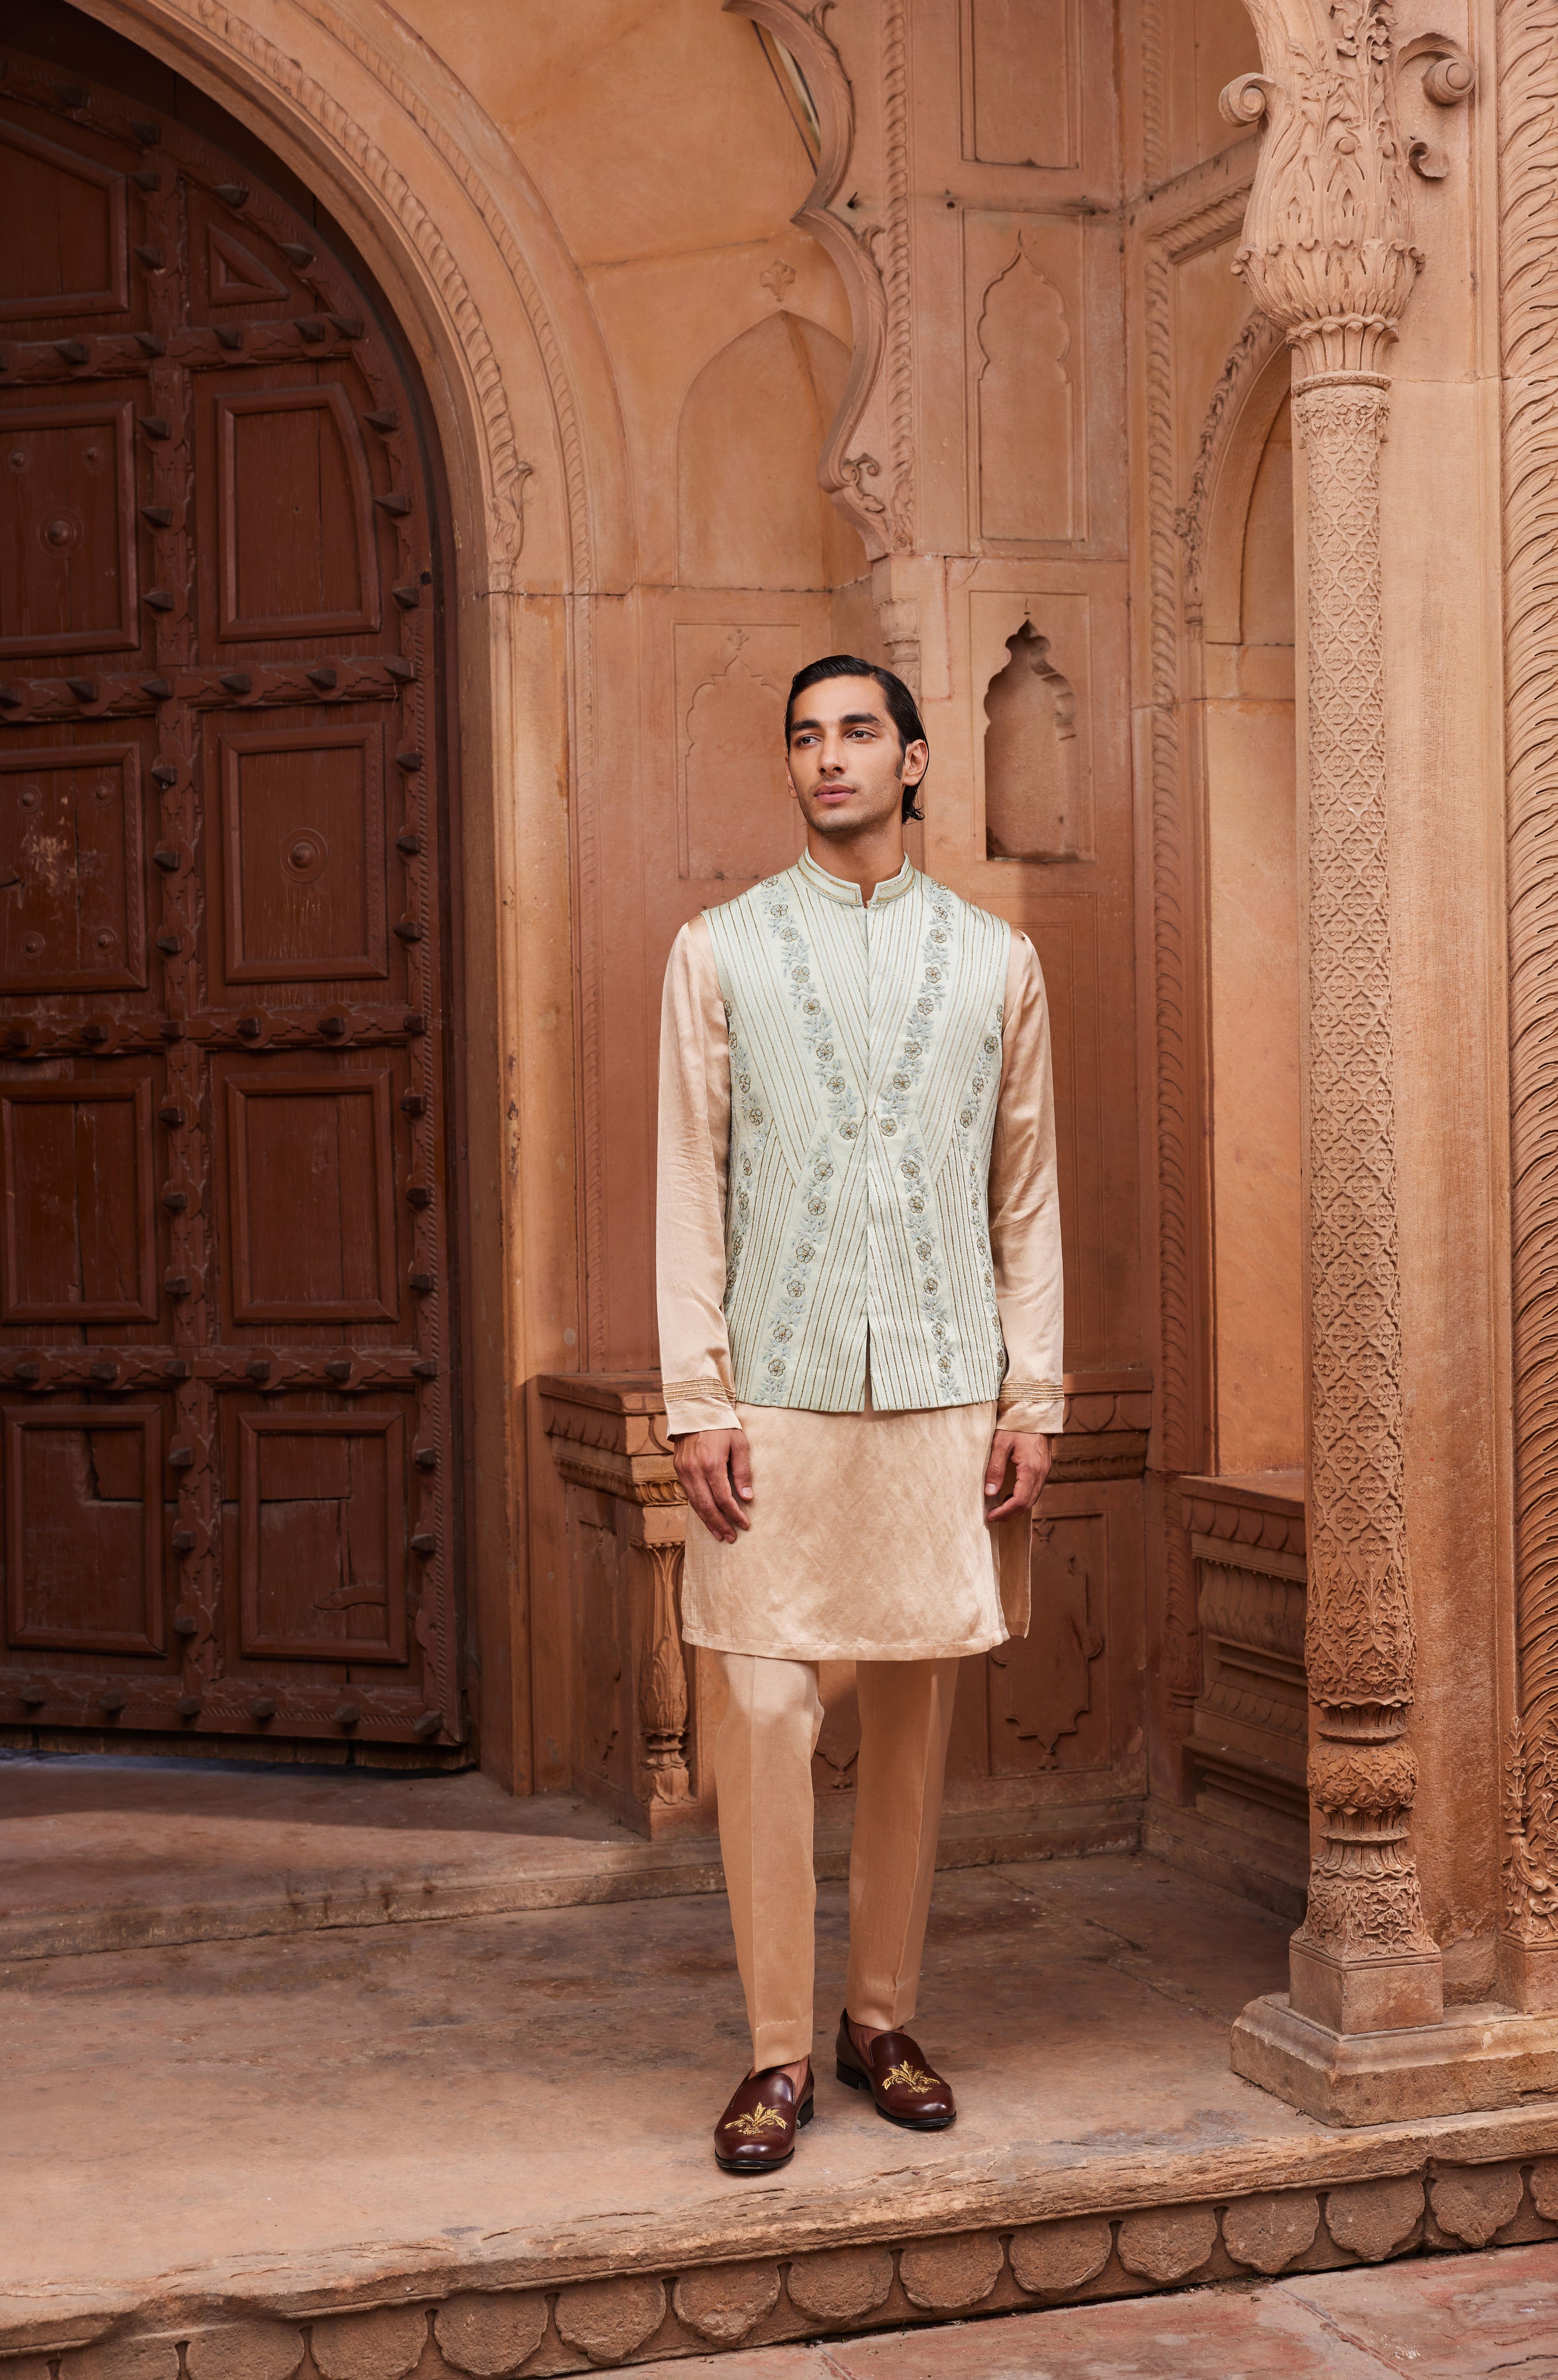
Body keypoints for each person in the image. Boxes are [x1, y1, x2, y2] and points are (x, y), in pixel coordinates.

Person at [656, 653, 1064, 2174]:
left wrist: (1040, 1391)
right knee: (764, 1709)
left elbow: (1024, 1190)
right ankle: (774, 2050)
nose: (829, 759)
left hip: (949, 1394)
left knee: (907, 1714)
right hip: (774, 1396)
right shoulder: (720, 952)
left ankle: (879, 2019)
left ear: (914, 760)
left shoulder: (996, 958)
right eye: (805, 739)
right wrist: (696, 1396)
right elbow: (690, 1187)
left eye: (857, 734)